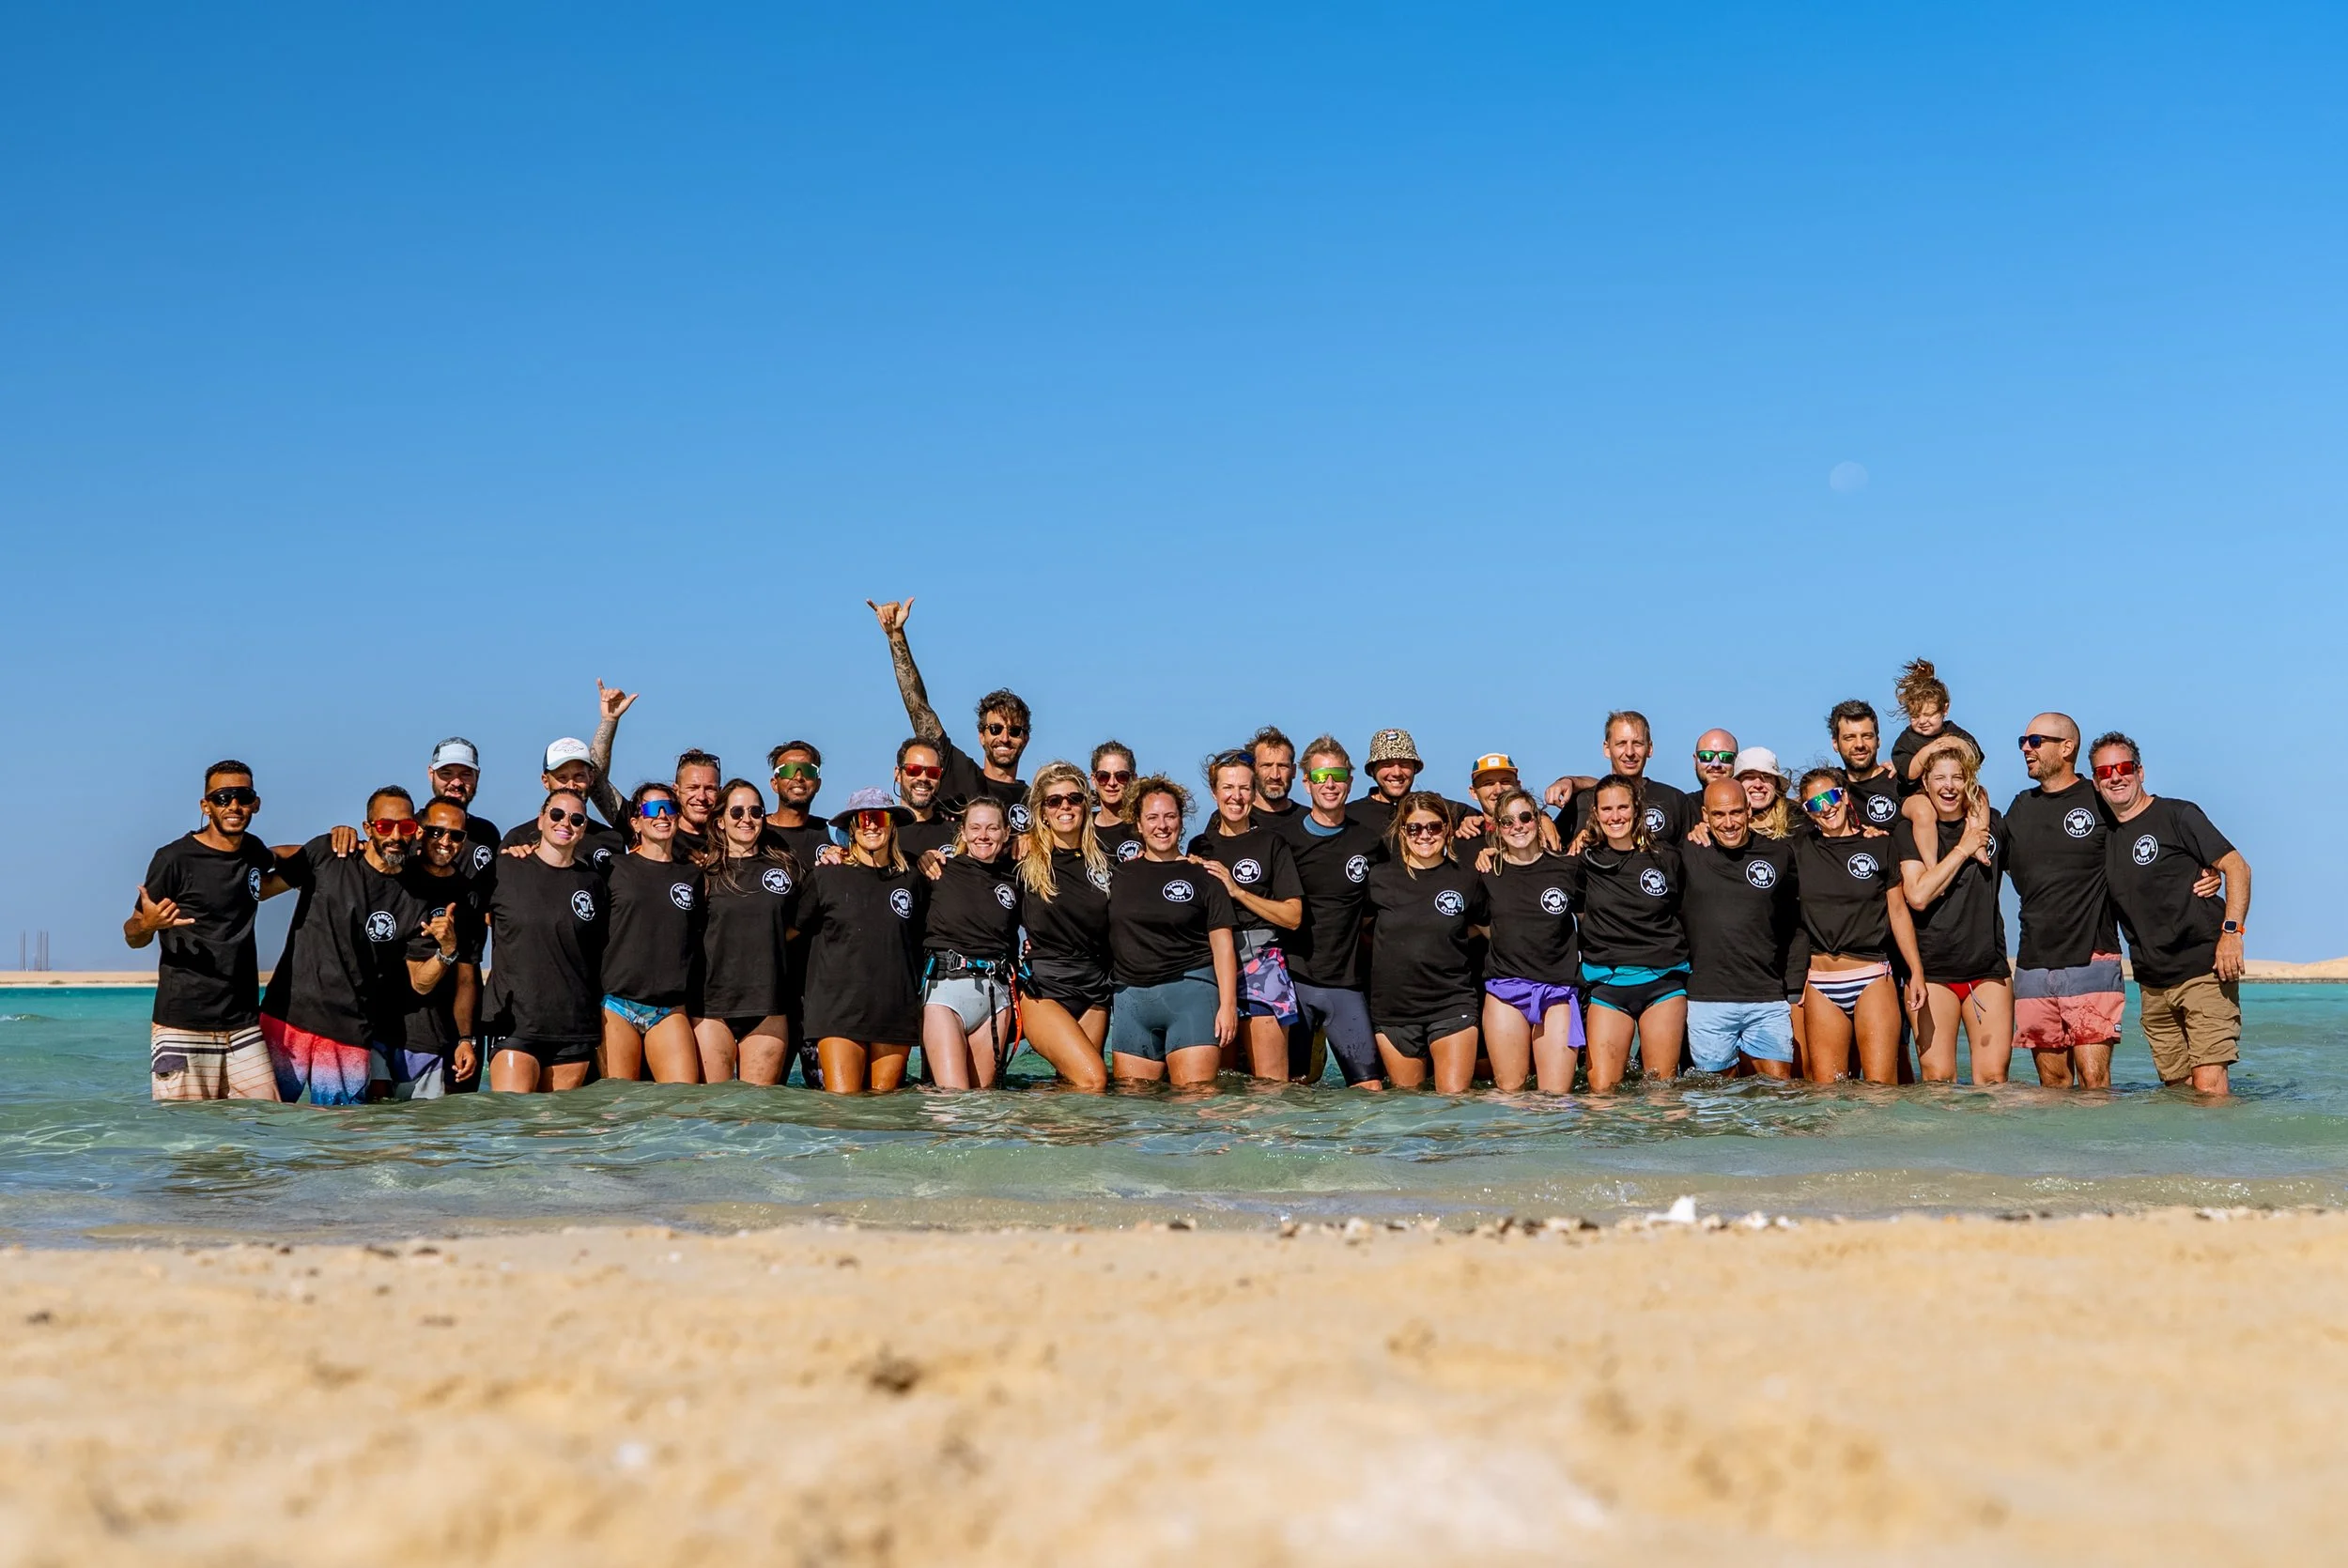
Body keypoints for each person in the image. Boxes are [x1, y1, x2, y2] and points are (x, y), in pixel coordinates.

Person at [257, 789, 450, 1105]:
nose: (397, 835)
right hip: (285, 1017)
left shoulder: (418, 898)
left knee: (343, 1144)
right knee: (261, 1125)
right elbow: (263, 889)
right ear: (368, 827)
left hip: (348, 1033)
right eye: (386, 826)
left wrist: (447, 950)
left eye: (407, 827)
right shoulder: (329, 854)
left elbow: (421, 981)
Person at [128, 761, 300, 1101]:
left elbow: (271, 870)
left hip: (243, 1023)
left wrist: (331, 851)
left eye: (242, 796)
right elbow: (133, 934)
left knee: (263, 1124)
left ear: (256, 803)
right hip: (182, 1023)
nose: (233, 805)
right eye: (222, 798)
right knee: (189, 1140)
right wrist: (148, 925)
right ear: (206, 806)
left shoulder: (252, 849)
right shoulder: (174, 858)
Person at [2092, 733, 2252, 1095]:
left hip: (2204, 970)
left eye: (2124, 767)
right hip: (2152, 985)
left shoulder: (2178, 815)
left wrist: (2232, 933)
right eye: (2105, 771)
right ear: (2095, 782)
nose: (2116, 777)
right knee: (2177, 1093)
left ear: (2140, 771)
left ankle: (2230, 1151)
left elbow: (2237, 867)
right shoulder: (2105, 836)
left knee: (2210, 1089)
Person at [2006, 715, 2134, 1088]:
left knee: (2095, 1084)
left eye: (2035, 740)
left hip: (2091, 958)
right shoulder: (2021, 807)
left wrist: (2202, 870)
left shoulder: (2098, 797)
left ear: (2067, 748)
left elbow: (2145, 832)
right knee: (2052, 1086)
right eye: (2023, 741)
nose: (2026, 748)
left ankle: (2102, 1149)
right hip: (2032, 965)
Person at [1790, 769, 1925, 1084]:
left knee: (1880, 1089)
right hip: (1821, 981)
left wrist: (1916, 971)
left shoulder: (1881, 845)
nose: (1826, 807)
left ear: (1845, 796)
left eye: (1831, 796)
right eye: (1815, 804)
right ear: (1807, 812)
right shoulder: (1797, 850)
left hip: (1872, 977)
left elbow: (1898, 911)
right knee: (1828, 1095)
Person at [1104, 776, 1240, 1087]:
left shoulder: (1204, 875)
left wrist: (1229, 1006)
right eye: (1152, 817)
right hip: (1131, 1001)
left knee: (1195, 1106)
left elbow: (1223, 947)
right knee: (1135, 1115)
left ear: (1181, 819)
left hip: (1191, 995)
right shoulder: (1119, 874)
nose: (1162, 826)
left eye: (1170, 816)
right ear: (1138, 824)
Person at [1272, 735, 1389, 1089]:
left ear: (1350, 781)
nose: (1330, 784)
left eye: (1337, 775)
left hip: (1346, 984)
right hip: (1297, 980)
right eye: (1321, 776)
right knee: (1293, 1087)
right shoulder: (1284, 839)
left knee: (1371, 1089)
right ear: (1306, 783)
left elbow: (1378, 909)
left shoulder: (1368, 841)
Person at [1559, 776, 1689, 1090]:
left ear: (1637, 809)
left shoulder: (1667, 857)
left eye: (1622, 807)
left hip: (1663, 982)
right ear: (1595, 813)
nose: (1615, 816)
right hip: (1608, 984)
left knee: (1661, 1090)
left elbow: (1686, 910)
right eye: (1607, 809)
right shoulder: (1584, 861)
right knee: (1602, 1091)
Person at [1894, 747, 2015, 1084]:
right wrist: (1963, 848)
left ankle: (1989, 1140)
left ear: (1969, 783)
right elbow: (1917, 896)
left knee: (1992, 1079)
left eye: (1957, 778)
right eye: (1940, 778)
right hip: (1932, 972)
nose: (1949, 787)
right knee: (1938, 1079)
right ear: (1926, 786)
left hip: (1988, 970)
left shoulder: (1994, 824)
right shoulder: (1910, 832)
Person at [798, 787, 929, 1094]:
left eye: (879, 817)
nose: (872, 825)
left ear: (892, 824)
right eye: (863, 819)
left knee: (883, 1110)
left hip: (894, 1011)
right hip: (837, 1011)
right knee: (843, 1110)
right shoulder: (825, 876)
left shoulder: (913, 876)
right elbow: (792, 931)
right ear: (852, 828)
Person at [1186, 750, 1305, 1081]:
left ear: (1254, 793)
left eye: (1244, 788)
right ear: (1214, 792)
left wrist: (1236, 890)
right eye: (1228, 788)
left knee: (1270, 1087)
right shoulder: (1199, 845)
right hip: (1210, 965)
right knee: (1219, 1084)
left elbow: (1293, 916)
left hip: (1262, 965)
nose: (1236, 797)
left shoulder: (1271, 843)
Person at [483, 789, 609, 1094]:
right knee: (514, 1129)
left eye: (576, 819)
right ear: (541, 820)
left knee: (560, 1137)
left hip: (573, 1026)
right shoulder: (504, 869)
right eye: (556, 814)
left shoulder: (593, 882)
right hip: (515, 1023)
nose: (565, 822)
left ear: (583, 829)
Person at [871, 597, 1032, 832]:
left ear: (1026, 738)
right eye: (995, 729)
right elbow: (918, 706)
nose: (1004, 738)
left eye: (1015, 731)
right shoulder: (957, 771)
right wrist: (896, 635)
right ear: (981, 736)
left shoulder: (1036, 799)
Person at [1364, 792, 1488, 1092]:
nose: (1424, 835)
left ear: (1446, 828)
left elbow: (1491, 932)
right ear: (1402, 831)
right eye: (1414, 828)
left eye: (1433, 827)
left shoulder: (1466, 879)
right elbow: (1362, 931)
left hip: (1452, 1004)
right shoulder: (1379, 879)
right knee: (1409, 1108)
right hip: (1394, 1009)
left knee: (1454, 1104)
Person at [1680, 780, 1801, 1079]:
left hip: (1766, 997)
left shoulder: (1779, 855)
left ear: (1749, 810)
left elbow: (1796, 922)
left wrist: (1794, 984)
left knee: (1777, 1097)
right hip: (1707, 1000)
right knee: (1716, 1111)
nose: (1729, 823)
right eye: (1719, 815)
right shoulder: (1687, 853)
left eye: (1736, 812)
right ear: (1705, 816)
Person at [1012, 761, 1114, 1092]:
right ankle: (1026, 1122)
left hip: (1096, 989)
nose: (1065, 806)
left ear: (1086, 804)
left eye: (1073, 798)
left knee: (1075, 1091)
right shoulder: (1022, 862)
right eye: (1054, 801)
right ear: (1042, 812)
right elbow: (973, 864)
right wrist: (931, 859)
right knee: (1094, 1079)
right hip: (1045, 988)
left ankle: (1054, 1138)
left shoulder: (1107, 863)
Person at [1475, 787, 1584, 1092]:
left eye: (1525, 817)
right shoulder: (1487, 872)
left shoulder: (1567, 868)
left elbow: (1590, 924)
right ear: (1497, 829)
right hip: (1505, 991)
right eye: (1507, 822)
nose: (1517, 826)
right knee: (1510, 1095)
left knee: (1556, 1100)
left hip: (1557, 991)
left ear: (1538, 820)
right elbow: (1479, 922)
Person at [694, 778, 802, 1087]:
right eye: (737, 811)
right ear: (720, 821)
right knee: (715, 1112)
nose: (747, 819)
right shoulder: (703, 873)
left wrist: (766, 943)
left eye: (755, 811)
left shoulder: (786, 868)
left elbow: (801, 923)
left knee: (757, 1114)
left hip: (768, 1003)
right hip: (712, 1006)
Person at [596, 782, 706, 1084]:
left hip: (669, 1008)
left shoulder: (693, 874)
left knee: (682, 1103)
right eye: (651, 809)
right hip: (617, 1004)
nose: (661, 815)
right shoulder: (613, 868)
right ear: (635, 822)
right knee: (618, 1102)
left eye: (669, 807)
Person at [917, 796, 1022, 1089]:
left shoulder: (1015, 879)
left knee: (982, 1106)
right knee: (953, 1100)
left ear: (1005, 833)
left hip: (996, 997)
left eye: (992, 828)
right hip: (945, 992)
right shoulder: (938, 870)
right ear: (963, 832)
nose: (983, 835)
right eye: (975, 828)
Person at [389, 794, 487, 1099]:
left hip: (429, 1040)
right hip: (374, 1032)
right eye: (436, 831)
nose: (445, 841)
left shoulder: (467, 895)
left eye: (456, 835)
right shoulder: (394, 873)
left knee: (425, 1139)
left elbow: (468, 977)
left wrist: (465, 1040)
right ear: (419, 831)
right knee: (366, 1135)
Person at [1544, 712, 1691, 844]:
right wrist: (1542, 819)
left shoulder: (1673, 799)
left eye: (1637, 743)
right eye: (1621, 744)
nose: (1629, 752)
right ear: (1607, 749)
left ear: (1650, 748)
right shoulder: (1582, 800)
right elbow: (1550, 848)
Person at [502, 739, 625, 873]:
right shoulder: (519, 837)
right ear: (545, 781)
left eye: (579, 776)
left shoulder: (612, 840)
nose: (571, 785)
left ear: (591, 778)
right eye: (562, 778)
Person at [1890, 659, 1978, 798]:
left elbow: (1976, 758)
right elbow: (1910, 774)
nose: (1922, 721)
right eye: (1915, 716)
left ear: (1945, 709)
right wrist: (1930, 749)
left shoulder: (1954, 732)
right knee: (1924, 811)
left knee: (1981, 797)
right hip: (1917, 795)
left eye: (1929, 715)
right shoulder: (1906, 740)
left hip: (1954, 793)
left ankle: (1977, 821)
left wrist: (1959, 743)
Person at [1827, 701, 1905, 832]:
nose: (1859, 744)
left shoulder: (1900, 783)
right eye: (1849, 737)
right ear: (1835, 743)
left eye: (1867, 736)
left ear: (1878, 740)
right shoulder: (1831, 787)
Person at [425, 737, 501, 869]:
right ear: (431, 774)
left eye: (465, 774)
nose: (456, 783)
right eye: (446, 773)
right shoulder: (410, 830)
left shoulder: (487, 833)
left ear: (477, 776)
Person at [765, 742, 831, 867]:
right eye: (788, 770)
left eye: (808, 770)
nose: (799, 777)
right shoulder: (754, 831)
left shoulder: (834, 834)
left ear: (818, 784)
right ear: (774, 784)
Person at [892, 738, 958, 860]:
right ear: (898, 775)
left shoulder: (958, 834)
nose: (923, 778)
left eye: (933, 772)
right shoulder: (885, 834)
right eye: (913, 770)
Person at [1090, 741, 1142, 860]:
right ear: (1094, 780)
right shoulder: (1082, 827)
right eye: (1103, 776)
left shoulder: (1146, 825)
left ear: (1133, 779)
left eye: (1121, 776)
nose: (1112, 783)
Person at [1735, 748, 1799, 840]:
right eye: (1749, 777)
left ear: (1776, 784)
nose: (1758, 785)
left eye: (1767, 777)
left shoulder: (1795, 819)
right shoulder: (1720, 824)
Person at [1248, 726, 1302, 829]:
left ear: (1294, 771)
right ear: (1253, 769)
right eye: (1267, 765)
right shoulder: (1232, 819)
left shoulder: (1307, 820)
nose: (1275, 775)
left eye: (1282, 766)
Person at [1691, 729, 1740, 796]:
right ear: (1695, 761)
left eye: (1725, 757)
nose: (1716, 764)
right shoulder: (1681, 805)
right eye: (1706, 756)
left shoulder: (1751, 804)